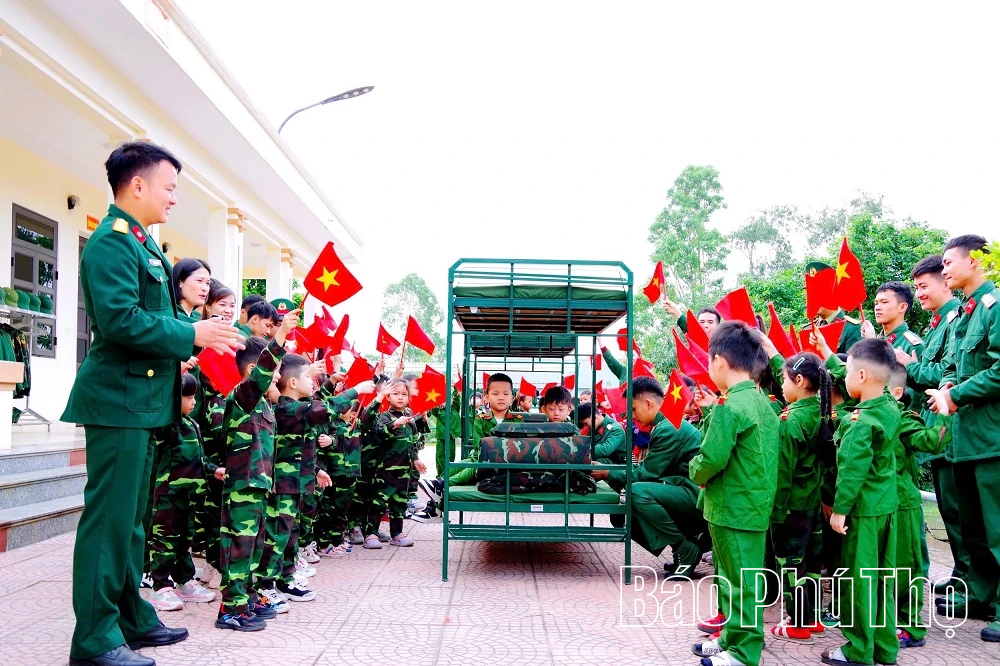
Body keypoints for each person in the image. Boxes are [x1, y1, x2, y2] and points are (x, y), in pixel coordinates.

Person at [63, 141, 244, 666]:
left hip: (142, 402)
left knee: (133, 523)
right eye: (168, 188)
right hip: (118, 401)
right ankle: (93, 641)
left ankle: (129, 617)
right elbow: (120, 321)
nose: (173, 199)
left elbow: (148, 324)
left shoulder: (142, 243)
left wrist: (187, 343)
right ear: (136, 185)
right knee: (108, 523)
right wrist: (192, 334)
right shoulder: (112, 243)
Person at [689, 321, 779, 666]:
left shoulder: (729, 407)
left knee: (739, 582)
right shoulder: (764, 404)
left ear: (720, 362)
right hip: (751, 505)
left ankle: (744, 651)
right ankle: (731, 638)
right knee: (735, 578)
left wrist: (695, 472)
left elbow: (710, 458)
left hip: (731, 507)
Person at [257, 354, 373, 605]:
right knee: (278, 535)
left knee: (292, 534)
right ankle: (265, 585)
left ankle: (286, 580)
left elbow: (301, 448)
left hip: (298, 482)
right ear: (293, 384)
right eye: (308, 377)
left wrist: (316, 470)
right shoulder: (288, 408)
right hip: (283, 485)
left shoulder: (299, 408)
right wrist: (355, 390)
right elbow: (325, 409)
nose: (313, 382)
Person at [931, 234, 1000, 642]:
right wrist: (946, 387)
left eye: (948, 263)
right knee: (973, 529)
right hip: (963, 440)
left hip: (990, 438)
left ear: (975, 261)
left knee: (997, 529)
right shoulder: (966, 315)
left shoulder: (994, 308)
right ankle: (980, 596)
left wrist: (955, 394)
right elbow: (955, 367)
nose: (944, 270)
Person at [216, 309, 296, 631]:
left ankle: (246, 598)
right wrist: (279, 338)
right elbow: (263, 373)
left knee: (255, 546)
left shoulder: (265, 406)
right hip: (242, 487)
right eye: (275, 371)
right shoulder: (242, 398)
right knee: (240, 547)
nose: (277, 377)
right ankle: (230, 609)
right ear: (254, 371)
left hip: (259, 486)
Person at [822, 338, 900, 666]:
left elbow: (851, 473)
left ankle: (858, 649)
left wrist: (839, 512)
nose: (845, 378)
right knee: (882, 578)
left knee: (859, 579)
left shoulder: (859, 422)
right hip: (886, 507)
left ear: (864, 376)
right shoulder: (889, 407)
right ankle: (884, 647)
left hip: (863, 512)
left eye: (850, 372)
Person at [896, 255, 967, 593]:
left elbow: (946, 376)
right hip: (936, 428)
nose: (920, 293)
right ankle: (963, 574)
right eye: (917, 287)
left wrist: (910, 366)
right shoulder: (938, 323)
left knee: (962, 513)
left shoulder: (955, 319)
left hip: (949, 429)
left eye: (924, 286)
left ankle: (971, 580)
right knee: (952, 512)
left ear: (944, 282)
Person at [596, 376, 703, 575]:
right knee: (636, 499)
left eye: (634, 409)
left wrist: (606, 473)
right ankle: (682, 550)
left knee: (638, 493)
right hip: (685, 490)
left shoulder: (668, 428)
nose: (632, 417)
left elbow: (646, 473)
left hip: (696, 496)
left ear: (647, 403)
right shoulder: (667, 423)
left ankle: (685, 548)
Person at [767, 352, 832, 644]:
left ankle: (797, 623)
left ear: (800, 380)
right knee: (812, 562)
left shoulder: (792, 420)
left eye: (784, 378)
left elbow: (783, 471)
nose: (781, 384)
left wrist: (775, 510)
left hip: (791, 505)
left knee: (791, 564)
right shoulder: (819, 411)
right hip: (812, 503)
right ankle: (813, 617)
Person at [147, 373, 223, 609]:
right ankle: (160, 586)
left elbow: (199, 458)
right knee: (165, 540)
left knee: (183, 541)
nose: (193, 402)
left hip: (189, 495)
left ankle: (184, 581)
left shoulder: (192, 424)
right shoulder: (167, 425)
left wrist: (213, 469)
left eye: (193, 397)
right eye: (187, 397)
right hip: (170, 493)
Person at [887, 362, 950, 649]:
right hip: (883, 504)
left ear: (897, 392)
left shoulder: (903, 419)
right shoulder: (871, 413)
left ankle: (911, 627)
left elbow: (929, 441)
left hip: (903, 504)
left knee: (906, 568)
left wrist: (943, 415)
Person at [368, 378, 420, 548]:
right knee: (379, 502)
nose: (400, 397)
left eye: (404, 394)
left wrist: (416, 460)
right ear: (388, 397)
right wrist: (393, 425)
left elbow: (413, 443)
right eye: (395, 394)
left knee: (399, 503)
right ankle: (371, 533)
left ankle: (397, 534)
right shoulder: (385, 417)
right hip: (386, 470)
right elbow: (378, 433)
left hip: (404, 470)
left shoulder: (410, 419)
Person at [447, 373, 523, 486]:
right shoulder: (481, 420)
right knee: (455, 467)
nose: (501, 397)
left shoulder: (518, 421)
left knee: (476, 465)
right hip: (481, 457)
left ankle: (443, 484)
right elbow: (479, 448)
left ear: (512, 398)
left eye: (506, 394)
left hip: (505, 463)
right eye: (495, 393)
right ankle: (439, 481)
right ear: (486, 397)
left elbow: (519, 449)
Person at [864, 281, 925, 359]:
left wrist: (872, 343)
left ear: (902, 307)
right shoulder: (878, 339)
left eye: (884, 302)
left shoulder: (913, 346)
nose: (877, 308)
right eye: (876, 303)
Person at [171, 258, 211, 324]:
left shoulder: (197, 318)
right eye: (199, 281)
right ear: (180, 282)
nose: (205, 288)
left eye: (207, 283)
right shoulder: (170, 316)